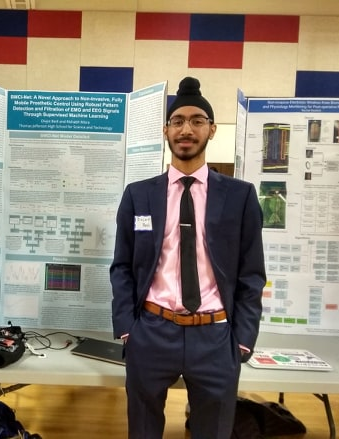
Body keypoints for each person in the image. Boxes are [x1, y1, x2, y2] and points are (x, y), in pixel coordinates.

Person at [110, 77, 266, 439]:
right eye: (178, 120)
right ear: (166, 130)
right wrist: (127, 329)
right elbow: (122, 266)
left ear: (211, 130)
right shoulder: (139, 195)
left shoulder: (240, 196)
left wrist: (242, 338)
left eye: (197, 120)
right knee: (143, 430)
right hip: (151, 332)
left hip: (215, 336)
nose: (186, 129)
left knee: (213, 431)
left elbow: (251, 273)